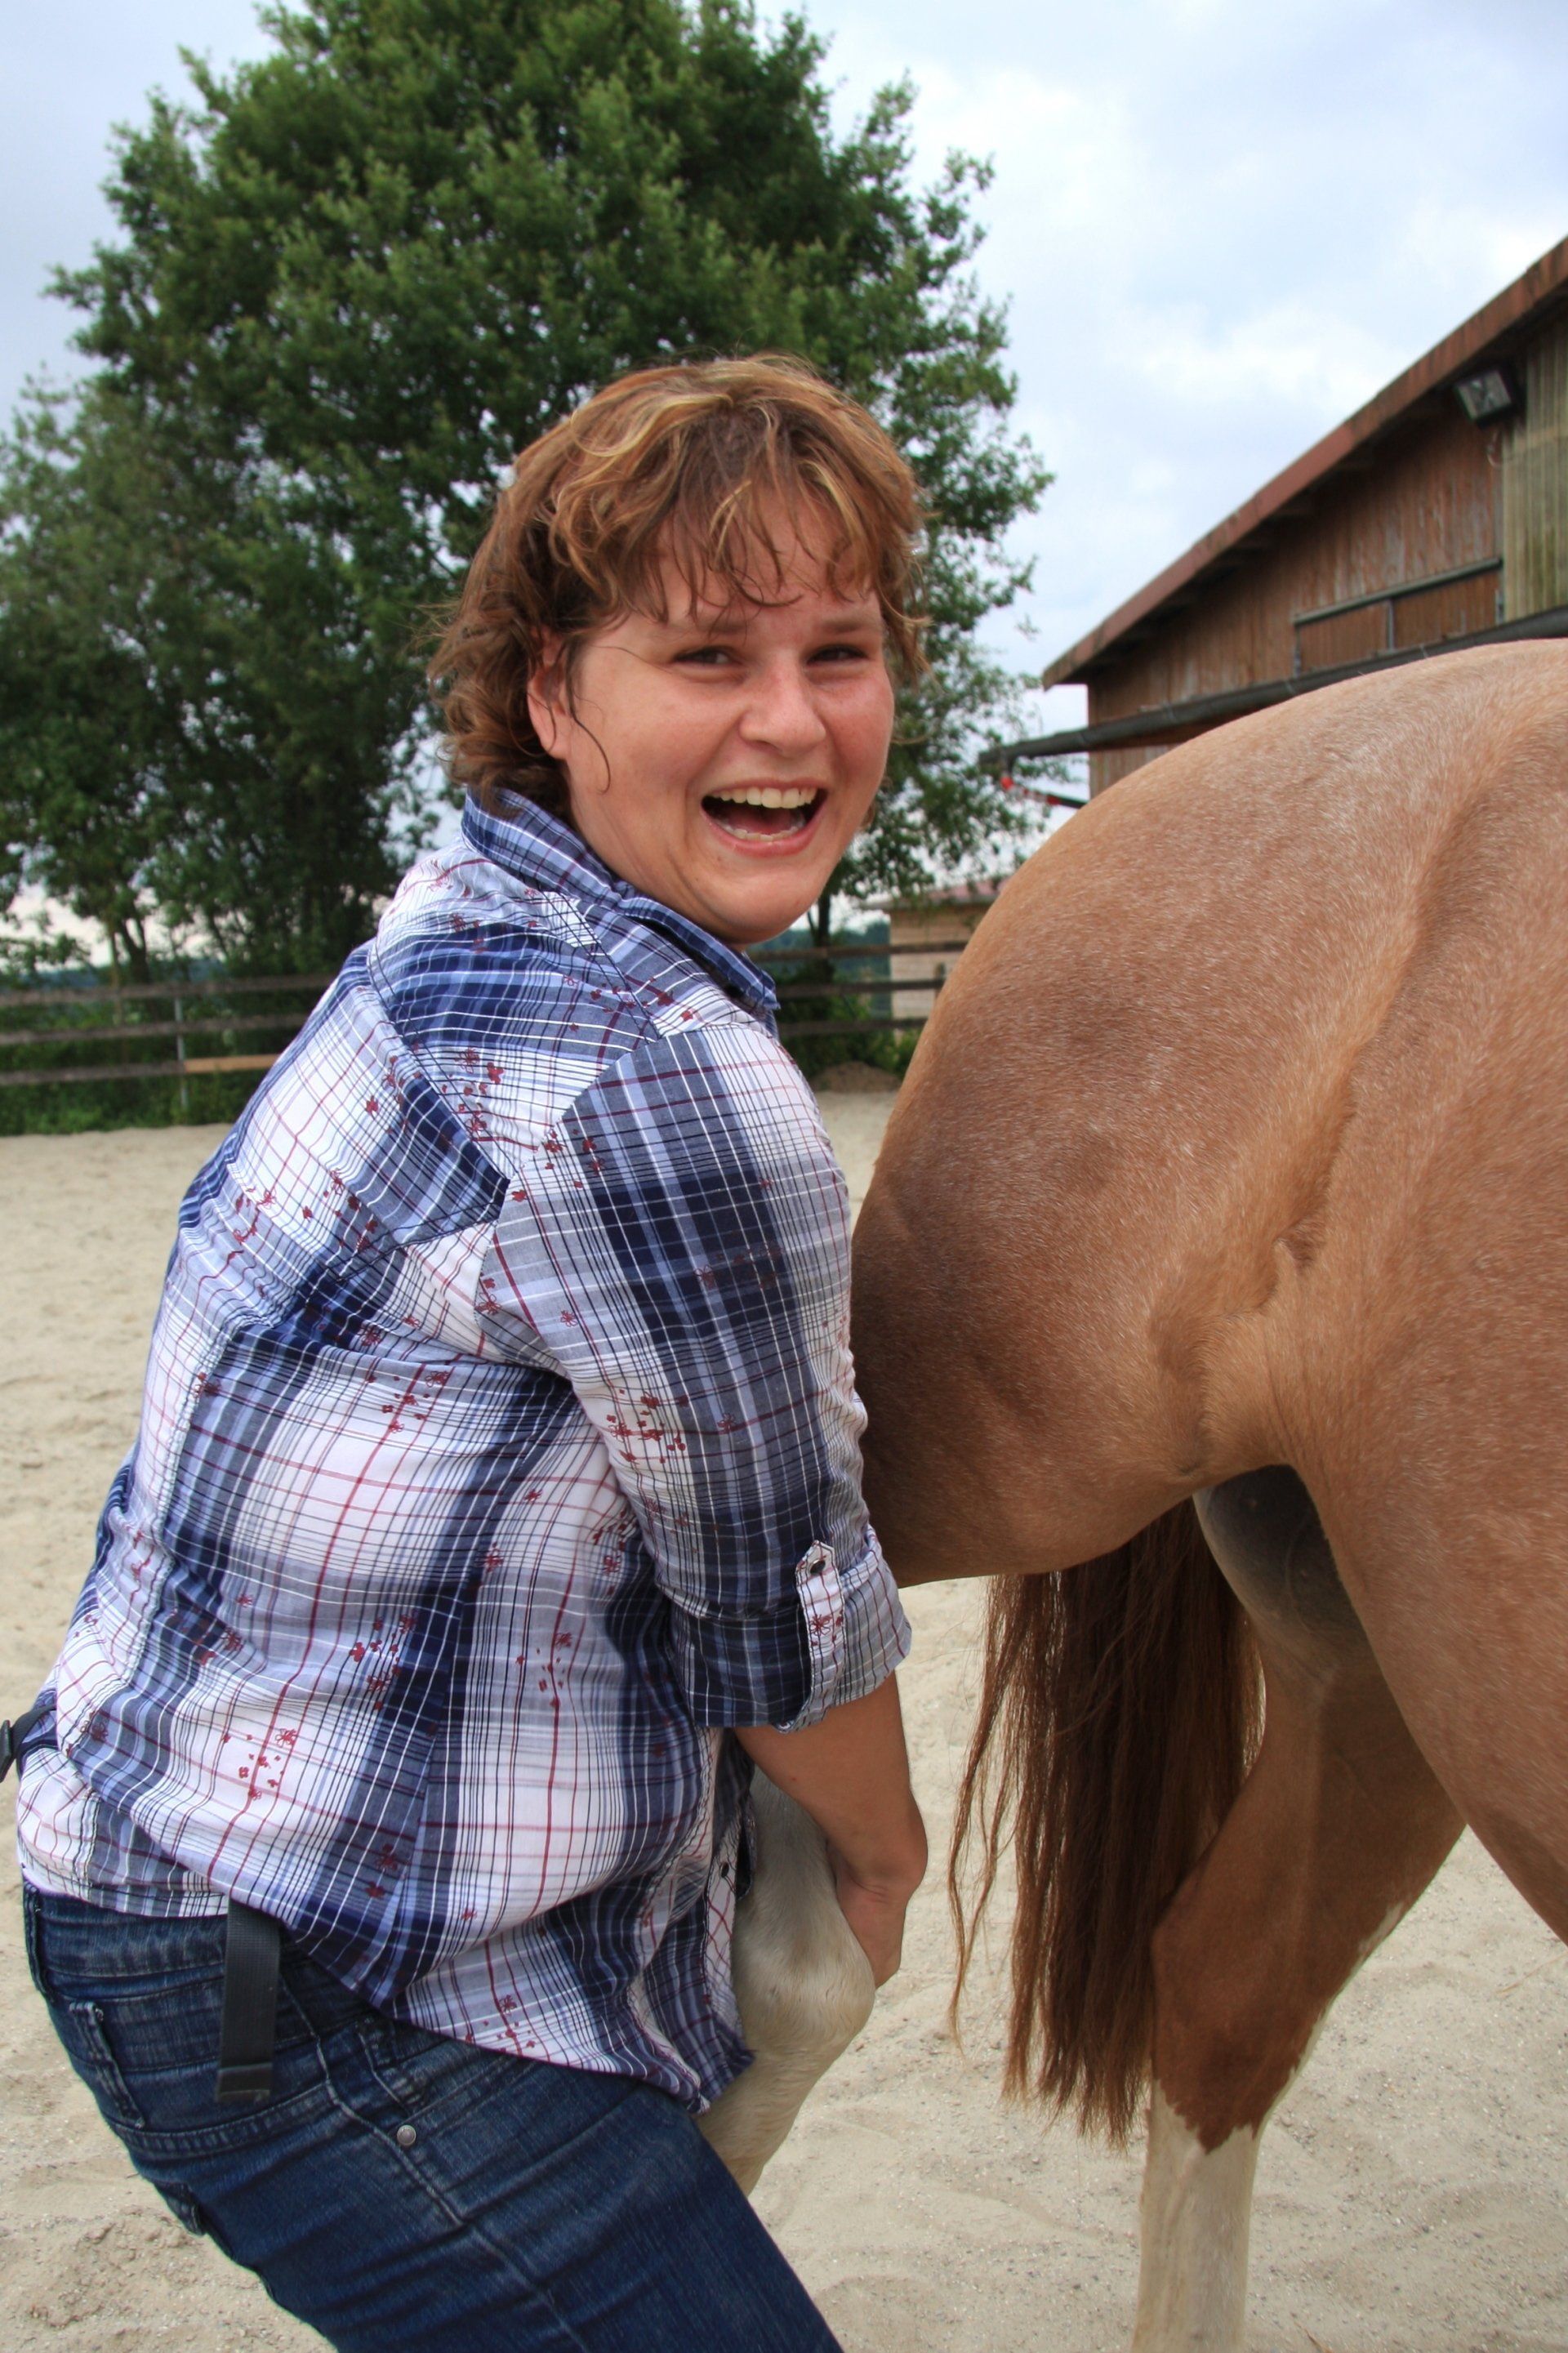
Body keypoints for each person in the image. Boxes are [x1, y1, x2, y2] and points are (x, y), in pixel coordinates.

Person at [10, 354, 928, 2351]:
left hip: (160, 1858)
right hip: (321, 1970)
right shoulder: (664, 1070)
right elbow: (780, 1617)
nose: (791, 719)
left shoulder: (462, 916)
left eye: (839, 649)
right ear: (551, 694)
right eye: (705, 652)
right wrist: (875, 1851)